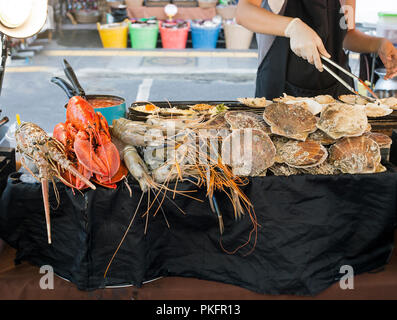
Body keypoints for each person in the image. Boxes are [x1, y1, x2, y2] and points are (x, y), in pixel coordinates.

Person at [236, 0, 397, 99]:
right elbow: (244, 12)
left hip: (337, 91)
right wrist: (292, 27)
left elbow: (346, 34)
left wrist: (377, 44)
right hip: (280, 91)